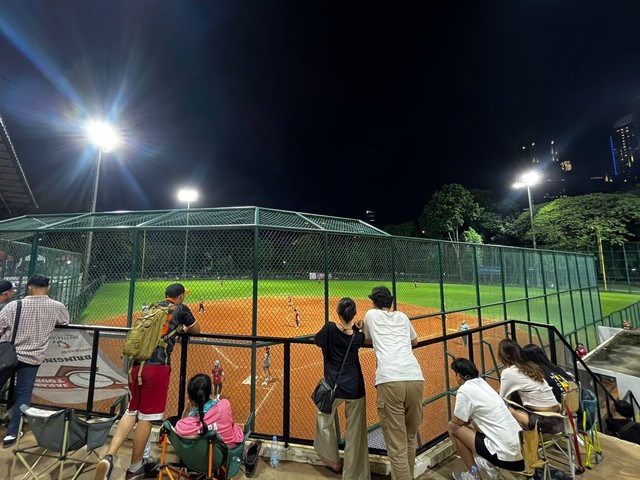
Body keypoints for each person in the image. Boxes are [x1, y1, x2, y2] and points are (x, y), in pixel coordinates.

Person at [96, 283, 201, 480]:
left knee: (131, 411)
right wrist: (182, 327)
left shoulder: (153, 307)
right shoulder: (181, 309)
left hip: (135, 366)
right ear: (180, 297)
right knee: (146, 418)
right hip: (157, 367)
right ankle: (136, 466)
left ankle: (109, 455)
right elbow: (196, 329)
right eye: (182, 296)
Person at [0, 275, 69, 448]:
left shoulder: (14, 305)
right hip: (33, 358)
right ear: (49, 288)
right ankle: (12, 433)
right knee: (23, 395)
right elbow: (64, 321)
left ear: (29, 287)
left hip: (7, 355)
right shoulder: (57, 307)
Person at [363, 286, 424, 480]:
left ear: (373, 302)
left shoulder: (371, 315)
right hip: (415, 377)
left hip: (390, 380)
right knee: (409, 438)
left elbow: (366, 339)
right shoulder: (403, 317)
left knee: (396, 445)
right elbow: (414, 341)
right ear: (391, 302)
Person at [313, 298, 370, 480]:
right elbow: (354, 336)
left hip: (333, 387)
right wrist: (356, 328)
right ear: (353, 316)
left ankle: (332, 460)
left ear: (338, 313)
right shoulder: (357, 336)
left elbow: (317, 340)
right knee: (356, 433)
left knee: (323, 418)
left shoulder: (329, 329)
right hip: (355, 387)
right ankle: (354, 474)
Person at [449, 358, 524, 480]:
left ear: (458, 376)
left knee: (452, 427)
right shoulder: (483, 383)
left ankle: (474, 475)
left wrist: (467, 418)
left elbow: (458, 421)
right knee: (478, 422)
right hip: (524, 453)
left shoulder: (464, 389)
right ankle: (489, 465)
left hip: (508, 458)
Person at [498, 339, 562, 433]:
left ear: (503, 356)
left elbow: (502, 399)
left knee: (506, 407)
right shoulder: (531, 367)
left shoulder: (508, 373)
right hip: (559, 416)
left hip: (545, 422)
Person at [174, 374, 244, 447]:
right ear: (211, 391)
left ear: (190, 399)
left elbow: (181, 428)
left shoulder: (184, 426)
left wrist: (188, 408)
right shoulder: (224, 405)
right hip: (224, 453)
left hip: (200, 455)